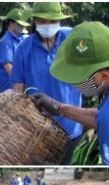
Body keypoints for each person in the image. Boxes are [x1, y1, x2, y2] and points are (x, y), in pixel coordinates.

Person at [37, 22, 109, 166]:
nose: (76, 84)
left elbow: (107, 120)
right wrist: (60, 109)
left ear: (104, 76)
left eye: (81, 78)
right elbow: (100, 117)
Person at [12, 3, 83, 163]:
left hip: (71, 124)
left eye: (51, 21)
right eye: (42, 21)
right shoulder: (24, 48)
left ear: (59, 21)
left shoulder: (72, 39)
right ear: (35, 21)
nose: (47, 25)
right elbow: (17, 89)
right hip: (39, 128)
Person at [0, 8, 29, 92]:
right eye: (19, 24)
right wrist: (20, 81)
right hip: (9, 84)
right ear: (11, 23)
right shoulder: (6, 42)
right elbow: (8, 67)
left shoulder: (20, 39)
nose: (21, 27)